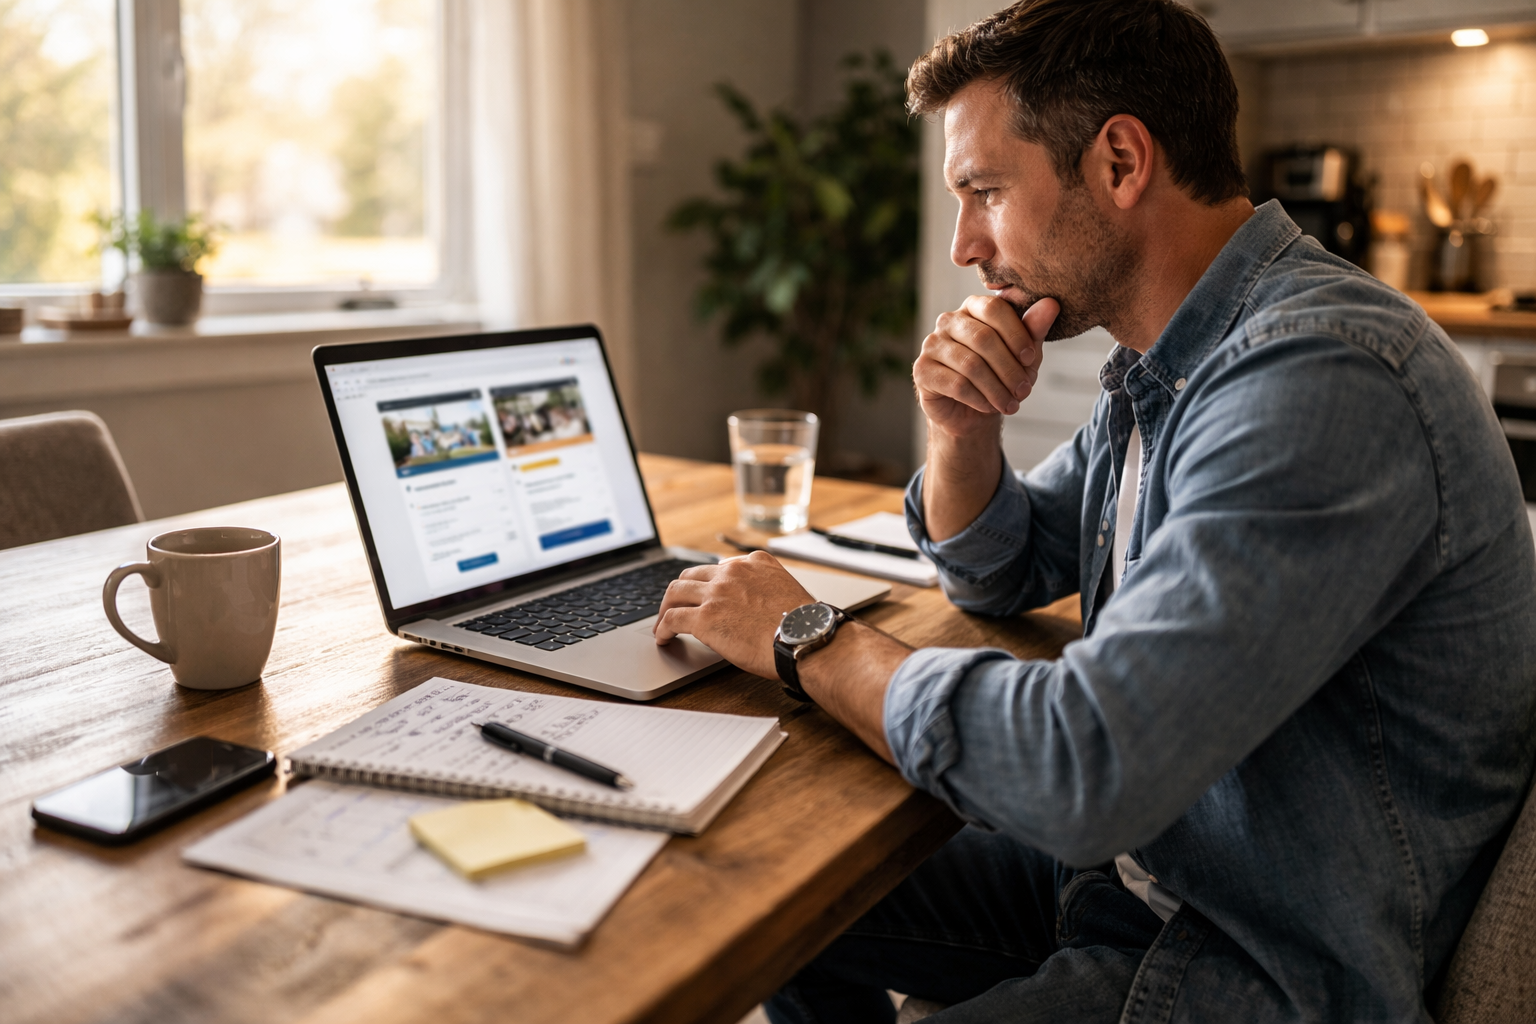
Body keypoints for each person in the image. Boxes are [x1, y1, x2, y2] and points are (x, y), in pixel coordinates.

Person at [652, 1, 1536, 1021]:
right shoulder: (1172, 361)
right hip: (1147, 880)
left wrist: (810, 636)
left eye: (984, 191)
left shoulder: (1319, 376)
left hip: (1261, 959)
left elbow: (1085, 763)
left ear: (1120, 161)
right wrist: (960, 429)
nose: (964, 245)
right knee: (780, 890)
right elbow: (1004, 565)